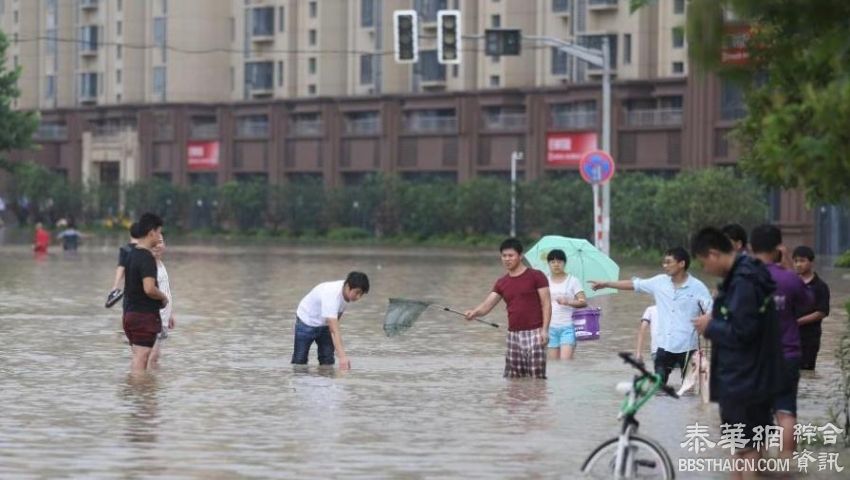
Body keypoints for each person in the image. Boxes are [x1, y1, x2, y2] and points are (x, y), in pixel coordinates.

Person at [691, 227, 784, 479]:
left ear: (712, 254)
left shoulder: (744, 280)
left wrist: (710, 326)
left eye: (703, 263)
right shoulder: (744, 275)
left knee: (747, 449)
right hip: (746, 377)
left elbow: (743, 331)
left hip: (745, 379)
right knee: (740, 446)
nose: (705, 269)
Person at [590, 247, 712, 386]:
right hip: (664, 346)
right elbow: (633, 284)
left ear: (681, 264)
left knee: (689, 391)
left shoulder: (698, 288)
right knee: (658, 388)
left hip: (688, 348)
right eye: (663, 262)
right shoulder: (659, 282)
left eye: (668, 262)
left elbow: (712, 312)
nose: (664, 266)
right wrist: (606, 283)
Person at [750, 224, 813, 458]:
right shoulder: (789, 278)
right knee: (785, 412)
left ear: (750, 247)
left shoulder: (742, 278)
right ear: (778, 248)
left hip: (754, 358)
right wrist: (787, 264)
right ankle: (787, 463)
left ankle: (758, 464)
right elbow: (808, 302)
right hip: (787, 355)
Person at [465, 238, 551, 379]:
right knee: (514, 381)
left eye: (511, 255)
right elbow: (486, 306)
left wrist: (545, 330)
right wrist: (474, 312)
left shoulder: (536, 276)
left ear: (520, 256)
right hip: (513, 335)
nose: (507, 259)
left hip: (536, 333)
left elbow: (546, 304)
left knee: (537, 379)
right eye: (504, 256)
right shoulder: (502, 283)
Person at [292, 271, 370, 370]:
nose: (358, 297)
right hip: (306, 321)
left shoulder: (347, 294)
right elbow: (334, 330)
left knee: (327, 361)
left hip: (325, 324)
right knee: (299, 361)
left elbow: (335, 322)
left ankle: (326, 383)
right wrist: (342, 358)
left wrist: (339, 352)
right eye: (357, 292)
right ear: (347, 286)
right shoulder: (332, 294)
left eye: (361, 294)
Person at [123, 213, 169, 373]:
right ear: (151, 233)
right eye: (159, 232)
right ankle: (142, 393)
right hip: (143, 316)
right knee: (142, 358)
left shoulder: (131, 254)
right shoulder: (146, 258)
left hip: (130, 314)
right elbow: (149, 288)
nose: (159, 236)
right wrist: (163, 297)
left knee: (138, 357)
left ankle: (136, 391)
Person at [792, 245, 831, 371]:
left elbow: (822, 312)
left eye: (802, 261)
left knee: (806, 371)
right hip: (789, 337)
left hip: (809, 337)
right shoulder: (790, 283)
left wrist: (798, 322)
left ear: (811, 262)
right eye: (796, 261)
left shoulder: (820, 286)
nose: (798, 264)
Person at [545, 249, 586, 360]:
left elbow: (583, 302)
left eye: (559, 261)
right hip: (550, 327)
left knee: (565, 363)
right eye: (552, 262)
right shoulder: (544, 281)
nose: (556, 264)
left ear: (564, 263)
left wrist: (568, 302)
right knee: (553, 365)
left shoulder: (573, 281)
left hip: (568, 327)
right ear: (548, 264)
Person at [148, 235, 175, 367]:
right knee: (151, 357)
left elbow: (166, 290)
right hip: (153, 318)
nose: (157, 246)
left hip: (163, 317)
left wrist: (170, 314)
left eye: (160, 242)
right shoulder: (148, 266)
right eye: (154, 243)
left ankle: (152, 384)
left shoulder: (161, 264)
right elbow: (147, 291)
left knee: (155, 357)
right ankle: (145, 384)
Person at [108, 222, 140, 309]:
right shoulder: (146, 251)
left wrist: (115, 286)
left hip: (129, 294)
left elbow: (121, 268)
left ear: (130, 233)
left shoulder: (125, 250)